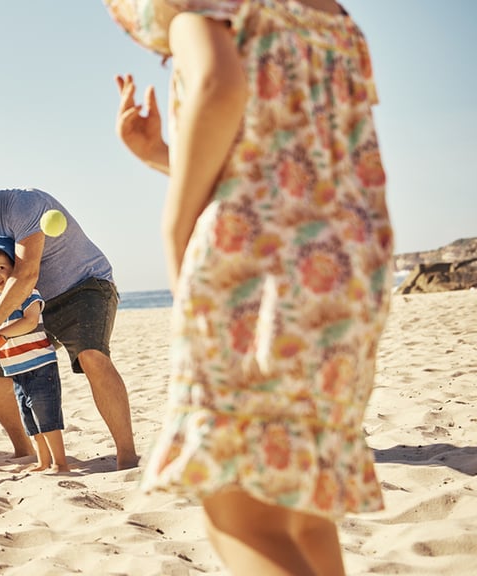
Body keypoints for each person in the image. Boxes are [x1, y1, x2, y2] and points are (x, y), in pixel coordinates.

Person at [105, 0, 394, 574]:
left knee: (240, 514)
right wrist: (166, 156)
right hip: (349, 267)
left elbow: (218, 83)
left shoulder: (203, 8)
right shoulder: (331, 18)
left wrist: (175, 222)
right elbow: (291, 161)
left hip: (256, 266)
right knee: (300, 506)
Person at [0, 156, 138, 470]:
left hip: (83, 286)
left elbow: (26, 274)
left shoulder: (25, 204)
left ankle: (127, 455)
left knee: (91, 356)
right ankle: (26, 451)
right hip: (29, 307)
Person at [0, 236, 69, 473]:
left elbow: (30, 322)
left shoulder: (27, 293)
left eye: (2, 268)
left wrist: (0, 334)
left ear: (15, 268)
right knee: (30, 419)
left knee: (46, 417)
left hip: (40, 366)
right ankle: (43, 461)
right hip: (16, 370)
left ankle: (60, 463)